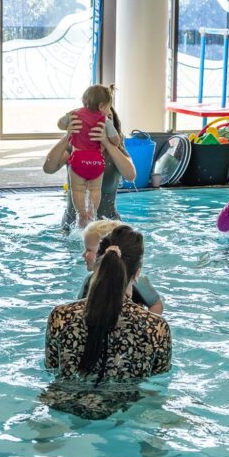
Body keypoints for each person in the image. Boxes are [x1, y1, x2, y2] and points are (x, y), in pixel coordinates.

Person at [45, 225, 171, 382]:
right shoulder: (156, 328)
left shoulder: (60, 316)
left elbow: (51, 369)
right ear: (137, 273)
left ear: (99, 265)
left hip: (64, 403)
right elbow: (158, 382)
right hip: (126, 405)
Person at [43, 106, 136, 229]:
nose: (100, 122)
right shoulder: (74, 149)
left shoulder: (115, 152)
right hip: (72, 226)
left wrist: (107, 143)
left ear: (111, 125)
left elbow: (131, 176)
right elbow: (48, 168)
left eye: (106, 118)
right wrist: (68, 136)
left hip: (109, 225)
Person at [58, 84, 119, 227]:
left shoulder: (75, 114)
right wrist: (109, 140)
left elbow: (60, 124)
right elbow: (116, 140)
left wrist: (67, 121)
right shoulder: (105, 120)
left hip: (78, 159)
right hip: (96, 160)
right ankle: (92, 213)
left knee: (77, 189)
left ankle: (81, 215)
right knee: (95, 189)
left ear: (84, 101)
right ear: (103, 106)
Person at [77, 220, 164, 315]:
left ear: (103, 251)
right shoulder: (88, 280)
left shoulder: (137, 282)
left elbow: (156, 305)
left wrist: (145, 325)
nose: (83, 254)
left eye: (88, 249)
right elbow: (79, 307)